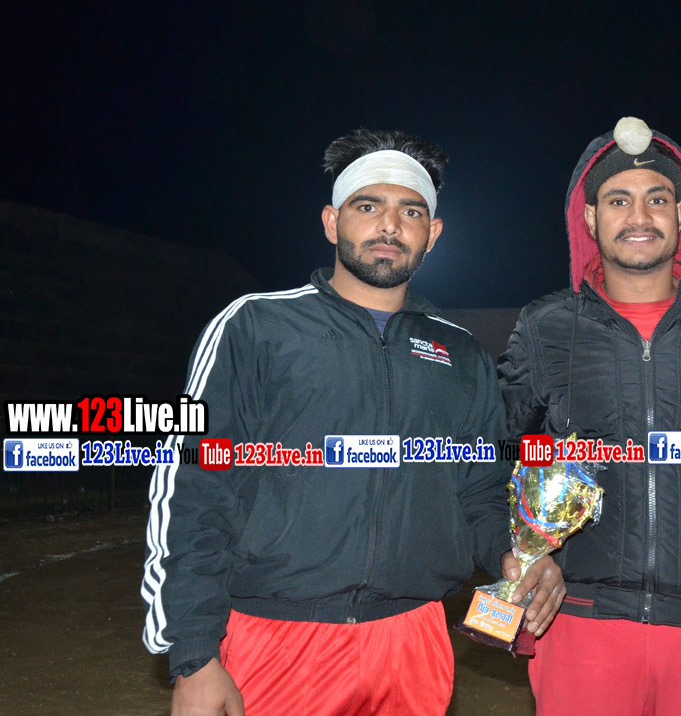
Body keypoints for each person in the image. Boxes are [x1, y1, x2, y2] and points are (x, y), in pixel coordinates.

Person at [141, 129, 564, 716]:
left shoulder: (462, 354)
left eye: (410, 211)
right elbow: (194, 489)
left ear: (432, 234)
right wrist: (193, 656)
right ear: (331, 221)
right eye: (368, 207)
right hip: (275, 636)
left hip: (414, 638)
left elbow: (480, 490)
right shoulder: (255, 327)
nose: (389, 225)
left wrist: (513, 554)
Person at [499, 116, 681, 715]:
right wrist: (520, 548)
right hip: (581, 621)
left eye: (657, 199)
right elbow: (489, 448)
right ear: (590, 218)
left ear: (680, 213)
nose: (639, 216)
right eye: (618, 200)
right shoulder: (547, 327)